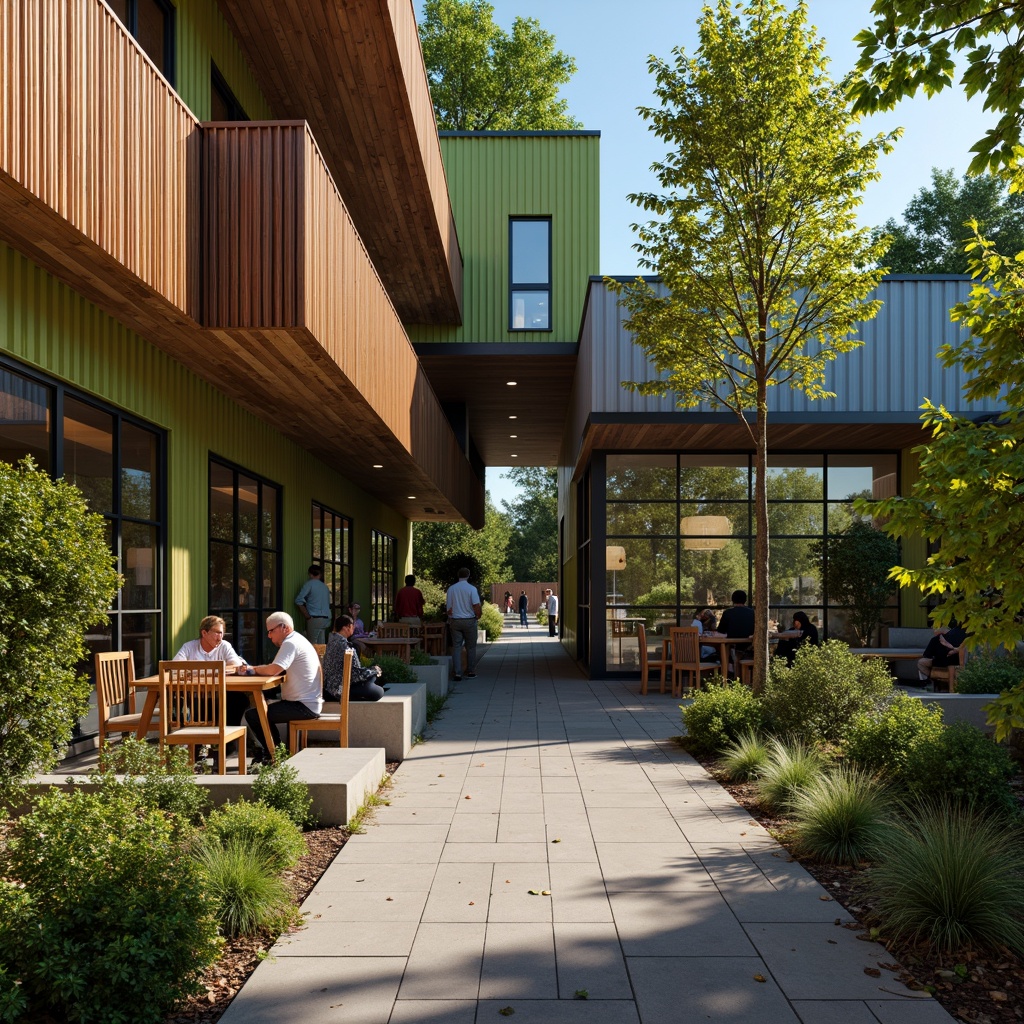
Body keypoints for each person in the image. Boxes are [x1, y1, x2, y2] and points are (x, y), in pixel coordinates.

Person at [245, 612, 322, 762]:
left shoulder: (290, 643)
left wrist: (252, 669)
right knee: (261, 710)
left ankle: (275, 755)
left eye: (271, 631)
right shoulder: (298, 640)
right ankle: (276, 752)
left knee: (255, 715)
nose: (269, 635)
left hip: (303, 706)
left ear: (284, 628)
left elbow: (274, 670)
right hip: (307, 702)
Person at [173, 615, 249, 765]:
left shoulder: (224, 646)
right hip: (196, 699)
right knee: (182, 702)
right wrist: (215, 671)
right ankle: (201, 747)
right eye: (216, 632)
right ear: (204, 633)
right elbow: (176, 668)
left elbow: (235, 665)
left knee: (240, 700)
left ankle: (224, 745)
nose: (220, 637)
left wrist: (198, 672)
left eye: (222, 633)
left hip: (218, 697)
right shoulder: (189, 647)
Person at [323, 615, 385, 702]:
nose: (354, 628)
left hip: (328, 688)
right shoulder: (345, 647)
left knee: (372, 678)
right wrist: (373, 671)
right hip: (340, 689)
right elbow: (354, 675)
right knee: (379, 691)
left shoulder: (331, 642)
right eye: (352, 625)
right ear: (346, 627)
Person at [446, 567, 481, 681]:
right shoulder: (471, 589)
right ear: (468, 575)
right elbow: (476, 605)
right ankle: (470, 671)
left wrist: (451, 618)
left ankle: (457, 673)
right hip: (469, 621)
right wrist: (478, 616)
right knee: (471, 647)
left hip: (455, 621)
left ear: (458, 575)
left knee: (456, 647)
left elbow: (449, 607)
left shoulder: (451, 589)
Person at [716, 590, 755, 674]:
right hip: (748, 645)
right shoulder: (752, 613)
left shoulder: (728, 613)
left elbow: (721, 631)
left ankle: (727, 673)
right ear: (745, 600)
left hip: (731, 645)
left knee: (719, 649)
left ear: (733, 600)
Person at [295, 564, 332, 644]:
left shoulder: (309, 584)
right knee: (321, 645)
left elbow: (298, 600)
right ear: (320, 574)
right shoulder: (325, 587)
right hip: (326, 619)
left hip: (315, 618)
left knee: (311, 645)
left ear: (310, 574)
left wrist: (307, 616)